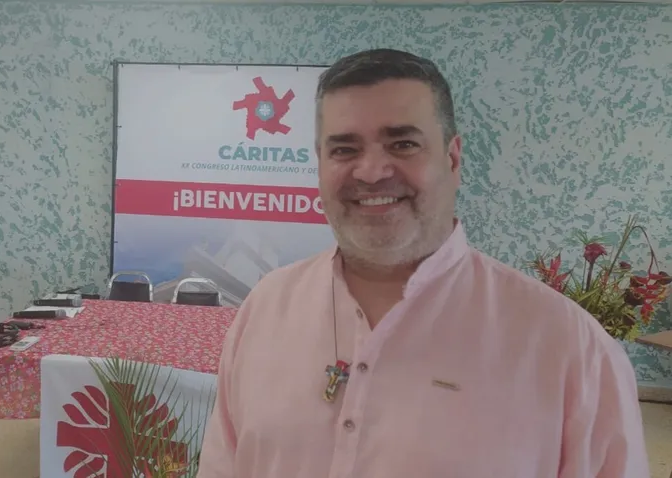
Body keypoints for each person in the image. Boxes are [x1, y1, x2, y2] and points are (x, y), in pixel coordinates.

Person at [196, 48, 649, 478]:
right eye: (344, 149)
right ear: (319, 163)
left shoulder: (568, 347)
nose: (371, 171)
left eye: (403, 143)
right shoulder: (266, 308)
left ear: (453, 159)